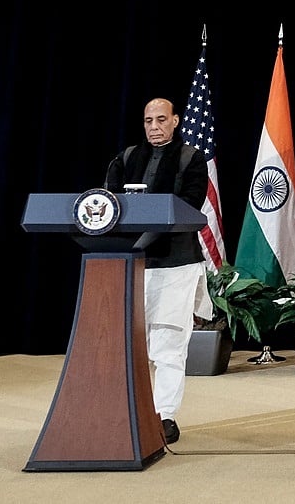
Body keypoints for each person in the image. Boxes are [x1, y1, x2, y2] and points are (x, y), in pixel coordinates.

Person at [104, 98, 213, 445]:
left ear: (175, 121)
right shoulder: (126, 157)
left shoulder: (191, 159)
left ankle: (164, 414)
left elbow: (190, 205)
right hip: (131, 261)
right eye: (148, 120)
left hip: (175, 264)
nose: (154, 126)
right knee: (131, 344)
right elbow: (109, 203)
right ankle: (129, 411)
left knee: (167, 345)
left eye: (161, 119)